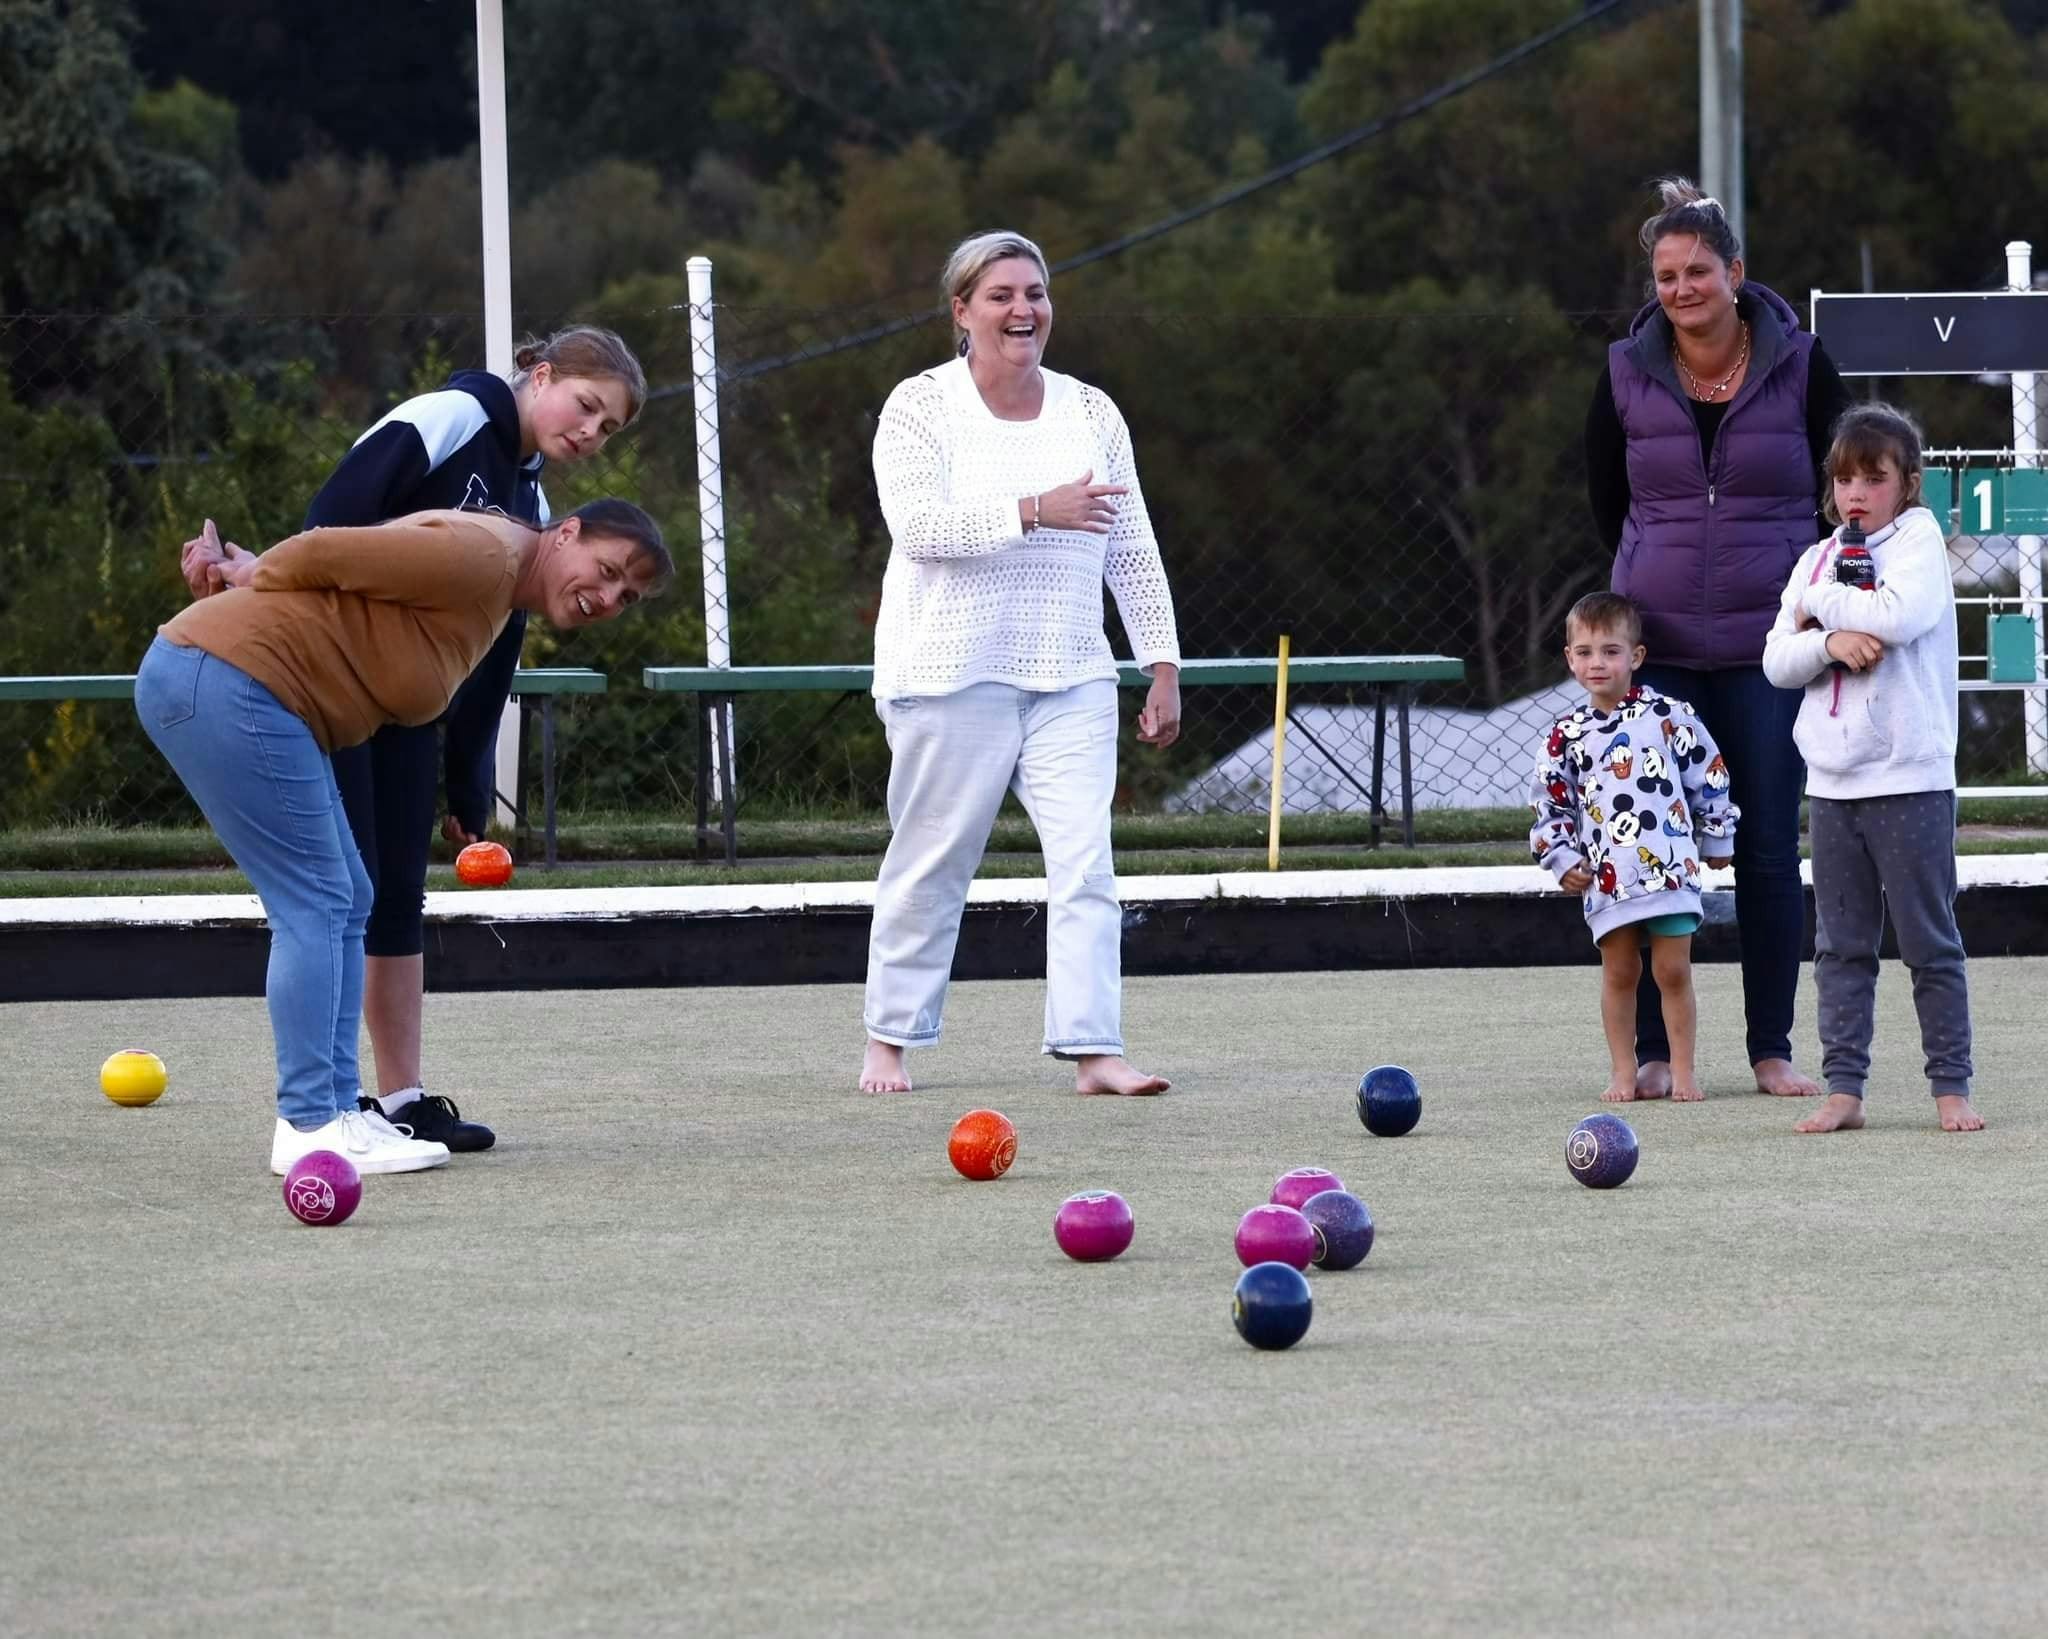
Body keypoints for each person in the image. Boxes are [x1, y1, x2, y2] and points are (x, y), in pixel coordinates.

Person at [183, 326, 647, 1153]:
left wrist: (467, 779)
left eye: (606, 429)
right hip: (327, 679)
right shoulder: (449, 416)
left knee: (391, 893)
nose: (588, 432)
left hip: (406, 709)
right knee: (336, 895)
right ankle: (324, 1102)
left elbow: (493, 655)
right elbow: (333, 522)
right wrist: (259, 578)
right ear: (541, 376)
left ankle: (397, 1097)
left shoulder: (535, 509)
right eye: (586, 406)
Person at [147, 502, 672, 1175]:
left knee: (348, 894)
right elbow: (330, 549)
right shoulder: (486, 554)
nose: (607, 598)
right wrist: (251, 570)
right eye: (605, 571)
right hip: (230, 681)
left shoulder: (497, 590)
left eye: (625, 596)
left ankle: (339, 1113)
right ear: (565, 532)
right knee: (317, 900)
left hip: (247, 687)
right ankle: (308, 1124)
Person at [859, 230, 1183, 1096]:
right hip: (948, 672)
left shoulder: (1091, 410)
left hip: (1073, 669)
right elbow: (920, 529)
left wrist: (1160, 661)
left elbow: (1132, 543)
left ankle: (1094, 1049)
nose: (1022, 309)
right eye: (1000, 294)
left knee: (1087, 862)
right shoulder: (919, 407)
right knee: (933, 860)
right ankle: (889, 1040)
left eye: (1034, 293)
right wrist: (1037, 509)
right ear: (961, 311)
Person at [1586, 178, 1853, 1102]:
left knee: (1770, 849)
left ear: (1735, 272)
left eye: (1698, 270)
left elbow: (1843, 492)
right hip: (1658, 654)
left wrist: (1817, 603)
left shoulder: (1805, 362)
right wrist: (1644, 575)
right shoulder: (1625, 370)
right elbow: (1605, 499)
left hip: (1768, 650)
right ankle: (1655, 1053)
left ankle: (1771, 1047)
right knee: (1654, 857)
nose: (1681, 288)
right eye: (1665, 274)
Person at [1760, 405, 1980, 1134]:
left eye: (1873, 478)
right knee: (1840, 947)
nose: (1855, 492)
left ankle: (1951, 1088)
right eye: (1843, 478)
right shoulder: (1817, 555)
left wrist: (1821, 611)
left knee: (1928, 941)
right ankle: (1844, 1089)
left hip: (1909, 777)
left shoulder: (1918, 540)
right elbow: (1777, 658)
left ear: (1907, 484)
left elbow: (1898, 614)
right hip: (1833, 785)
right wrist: (1828, 643)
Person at [1531, 593, 1738, 1103]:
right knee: (1621, 973)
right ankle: (1625, 1072)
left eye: (1610, 651)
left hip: (1670, 870)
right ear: (1569, 659)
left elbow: (1708, 775)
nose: (1596, 663)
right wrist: (1561, 859)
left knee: (1673, 971)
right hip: (1608, 880)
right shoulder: (1565, 736)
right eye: (1584, 652)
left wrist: (1717, 836)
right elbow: (1549, 806)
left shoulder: (1670, 716)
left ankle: (1684, 1071)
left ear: (1636, 657)